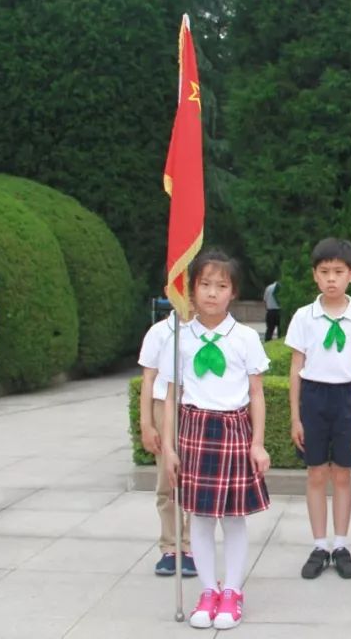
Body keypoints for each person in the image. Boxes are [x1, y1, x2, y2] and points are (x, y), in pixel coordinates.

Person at [161, 249, 271, 630]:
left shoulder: (244, 338)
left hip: (233, 430)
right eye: (204, 284)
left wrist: (257, 442)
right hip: (195, 430)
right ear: (190, 290)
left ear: (233, 292)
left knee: (234, 517)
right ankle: (208, 590)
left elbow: (256, 393)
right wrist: (170, 448)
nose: (211, 292)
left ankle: (233, 592)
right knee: (202, 517)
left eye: (220, 285)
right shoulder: (179, 338)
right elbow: (172, 395)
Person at [285, 238, 351, 580]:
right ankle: (319, 544)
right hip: (314, 397)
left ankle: (341, 544)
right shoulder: (303, 317)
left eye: (339, 272)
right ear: (315, 276)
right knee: (315, 473)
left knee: (342, 474)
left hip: (347, 398)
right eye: (325, 272)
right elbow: (296, 367)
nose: (331, 279)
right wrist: (295, 416)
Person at [137, 299, 195, 578]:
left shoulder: (207, 331)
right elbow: (148, 378)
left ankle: (192, 546)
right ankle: (170, 546)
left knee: (196, 482)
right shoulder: (159, 332)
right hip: (165, 407)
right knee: (167, 480)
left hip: (199, 407)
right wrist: (147, 423)